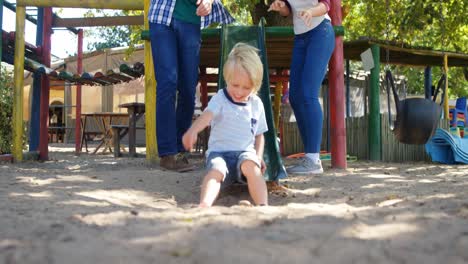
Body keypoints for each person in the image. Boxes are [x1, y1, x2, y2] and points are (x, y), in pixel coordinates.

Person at [148, 0, 234, 172]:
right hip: (162, 15)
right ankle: (167, 154)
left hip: (191, 21)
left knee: (188, 87)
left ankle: (180, 151)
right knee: (167, 82)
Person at [182, 43, 269, 207]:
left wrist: (258, 156)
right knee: (216, 171)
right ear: (227, 79)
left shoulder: (256, 103)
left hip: (245, 154)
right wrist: (193, 130)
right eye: (235, 85)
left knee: (252, 168)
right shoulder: (220, 99)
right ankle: (205, 204)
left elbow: (259, 135)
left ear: (255, 86)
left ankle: (263, 205)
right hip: (219, 153)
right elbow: (207, 116)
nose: (239, 92)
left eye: (247, 88)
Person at [268, 0, 335, 174]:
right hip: (300, 37)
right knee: (296, 97)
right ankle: (309, 157)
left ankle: (313, 160)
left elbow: (327, 5)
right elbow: (287, 10)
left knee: (308, 94)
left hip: (321, 32)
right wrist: (280, 6)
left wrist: (311, 12)